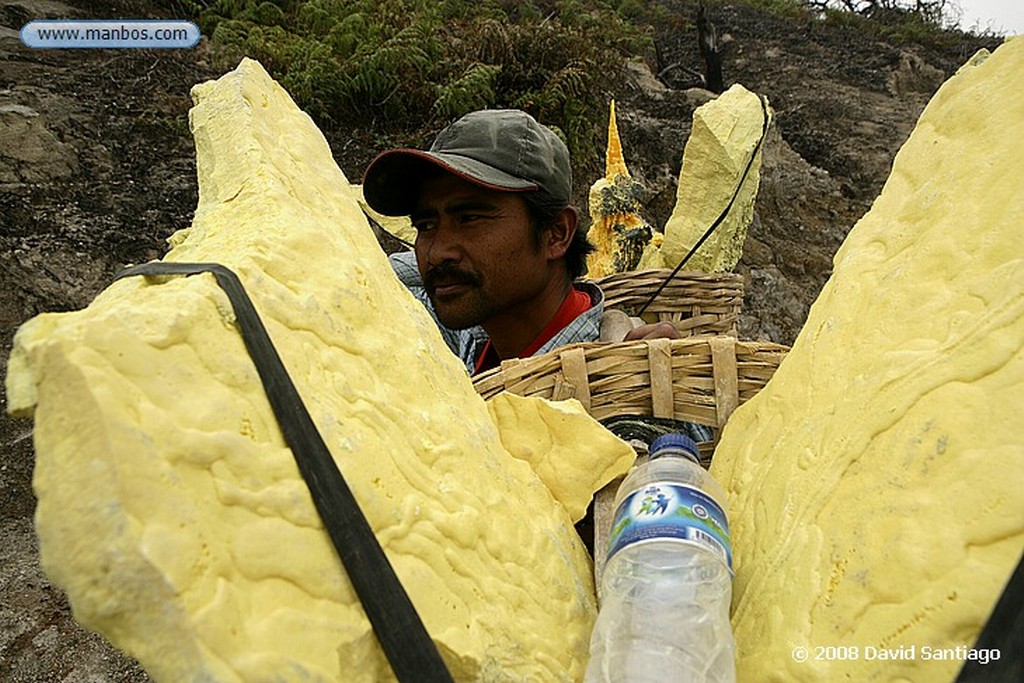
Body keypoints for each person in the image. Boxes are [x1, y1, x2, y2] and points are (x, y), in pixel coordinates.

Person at [363, 108, 679, 376]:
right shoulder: (471, 335)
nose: (437, 252)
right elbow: (380, 271)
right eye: (425, 225)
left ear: (556, 233)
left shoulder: (623, 383)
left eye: (470, 218)